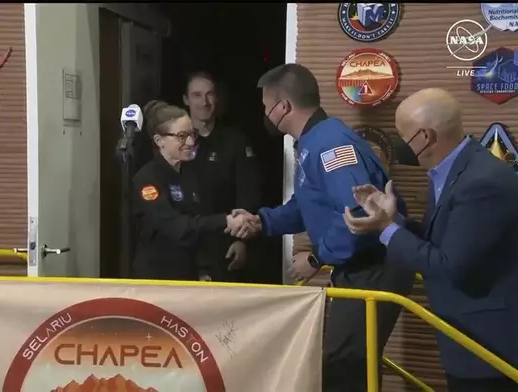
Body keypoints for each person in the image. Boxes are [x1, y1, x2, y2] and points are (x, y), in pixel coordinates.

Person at [229, 64, 416, 392]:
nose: (265, 115)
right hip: (360, 268)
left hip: (372, 268)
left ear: (283, 107)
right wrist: (262, 221)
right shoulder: (312, 141)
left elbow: (362, 211)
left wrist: (316, 257)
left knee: (343, 367)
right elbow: (309, 205)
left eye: (265, 107)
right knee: (350, 364)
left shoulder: (329, 144)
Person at [344, 88, 518, 392]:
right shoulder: (452, 171)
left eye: (401, 134)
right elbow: (446, 240)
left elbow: (448, 265)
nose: (397, 144)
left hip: (489, 349)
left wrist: (386, 230)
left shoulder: (481, 182)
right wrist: (392, 219)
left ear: (425, 137)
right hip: (467, 342)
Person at [131, 100, 246, 281]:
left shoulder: (193, 172)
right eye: (182, 136)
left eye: (192, 134)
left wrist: (204, 269)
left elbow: (201, 219)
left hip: (191, 276)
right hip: (158, 278)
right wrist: (225, 221)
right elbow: (176, 227)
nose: (191, 142)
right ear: (159, 141)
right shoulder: (147, 179)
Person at [182, 71, 262, 281]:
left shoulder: (234, 141)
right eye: (197, 95)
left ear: (217, 99)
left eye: (210, 94)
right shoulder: (174, 141)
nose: (204, 102)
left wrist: (242, 242)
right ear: (186, 100)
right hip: (183, 247)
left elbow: (248, 193)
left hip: (223, 247)